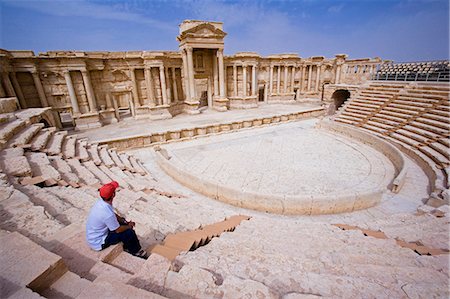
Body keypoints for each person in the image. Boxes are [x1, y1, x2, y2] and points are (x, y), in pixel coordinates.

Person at [86, 181, 148, 259]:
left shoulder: (101, 203)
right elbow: (117, 230)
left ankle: (127, 244)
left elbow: (114, 215)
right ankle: (137, 251)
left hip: (93, 236)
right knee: (129, 232)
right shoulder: (107, 213)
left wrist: (124, 221)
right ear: (113, 195)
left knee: (124, 225)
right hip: (99, 242)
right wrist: (129, 226)